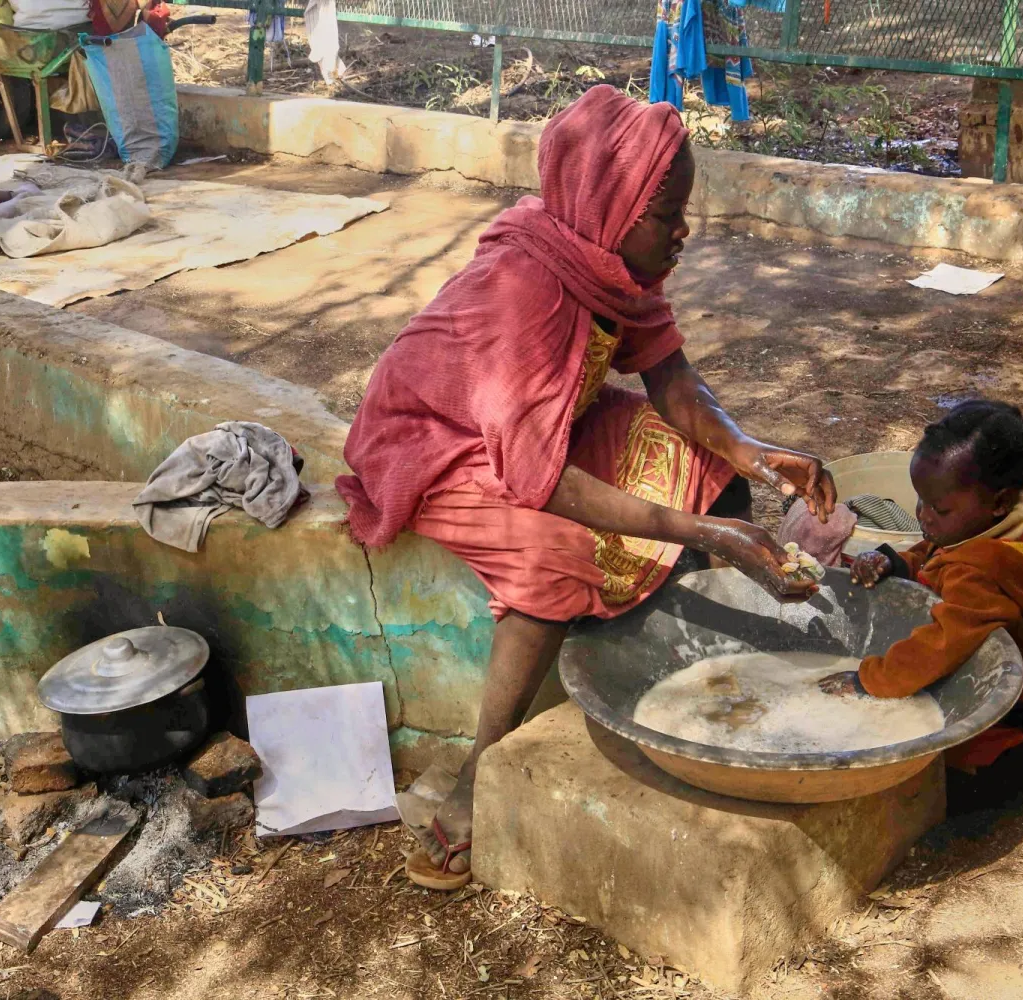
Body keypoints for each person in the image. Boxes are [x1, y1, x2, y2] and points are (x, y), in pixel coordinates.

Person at [337, 85, 836, 890]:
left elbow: (673, 382)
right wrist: (707, 537)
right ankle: (479, 773)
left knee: (708, 472)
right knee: (558, 555)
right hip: (436, 444)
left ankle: (684, 673)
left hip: (546, 424)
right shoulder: (526, 291)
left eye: (683, 211)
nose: (682, 232)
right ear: (609, 204)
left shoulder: (610, 264)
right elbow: (542, 483)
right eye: (666, 214)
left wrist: (754, 453)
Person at [818, 399, 1023, 805]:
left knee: (942, 777)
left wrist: (869, 680)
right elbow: (934, 553)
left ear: (998, 502)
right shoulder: (999, 529)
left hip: (1017, 701)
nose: (923, 516)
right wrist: (893, 561)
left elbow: (940, 646)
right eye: (919, 500)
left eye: (938, 508)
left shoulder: (981, 572)